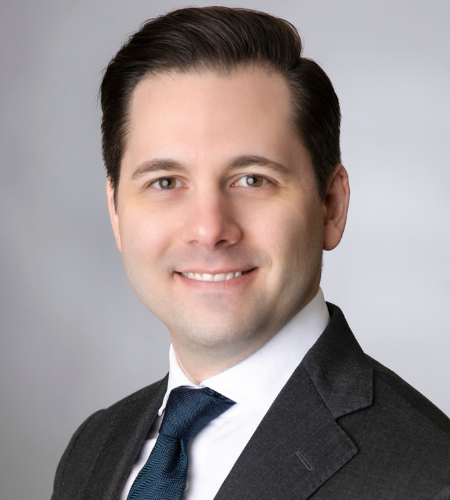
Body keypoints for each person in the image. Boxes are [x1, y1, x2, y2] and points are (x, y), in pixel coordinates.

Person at [52, 6, 450, 500]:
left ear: (330, 205)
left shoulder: (430, 478)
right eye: (166, 182)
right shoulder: (93, 450)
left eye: (252, 180)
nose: (209, 230)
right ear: (116, 212)